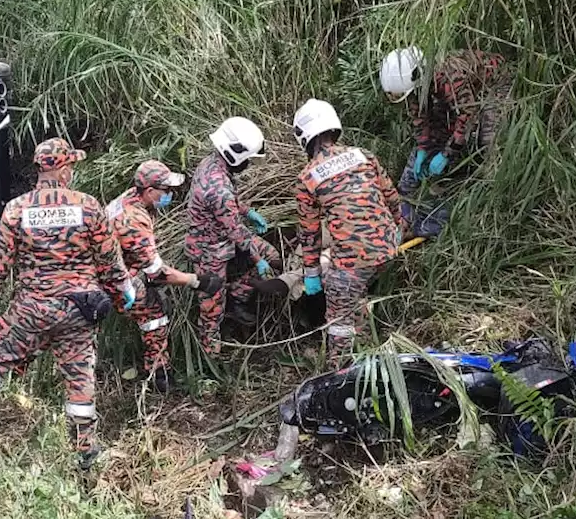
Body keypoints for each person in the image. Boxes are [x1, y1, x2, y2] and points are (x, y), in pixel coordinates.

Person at [0, 138, 135, 470]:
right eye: (71, 166)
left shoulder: (17, 209)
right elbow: (108, 259)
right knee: (80, 381)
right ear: (64, 169)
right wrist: (123, 287)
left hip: (30, 311)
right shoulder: (89, 206)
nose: (72, 172)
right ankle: (85, 451)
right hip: (78, 311)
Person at [291, 99, 402, 358]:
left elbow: (310, 234)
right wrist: (397, 229)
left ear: (303, 136)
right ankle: (366, 349)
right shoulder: (364, 155)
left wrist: (311, 273)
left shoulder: (308, 177)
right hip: (388, 249)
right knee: (356, 294)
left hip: (354, 263)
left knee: (338, 322)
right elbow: (393, 198)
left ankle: (339, 372)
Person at [107, 160, 223, 390]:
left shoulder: (130, 198)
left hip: (114, 270)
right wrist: (196, 281)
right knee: (154, 313)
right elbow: (157, 273)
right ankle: (159, 375)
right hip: (113, 281)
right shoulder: (133, 220)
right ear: (149, 191)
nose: (170, 194)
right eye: (166, 190)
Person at [378, 47, 509, 237]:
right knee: (438, 128)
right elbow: (420, 118)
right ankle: (405, 200)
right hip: (461, 95)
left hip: (495, 85)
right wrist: (424, 148)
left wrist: (446, 154)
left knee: (488, 138)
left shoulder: (450, 78)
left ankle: (492, 194)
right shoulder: (415, 84)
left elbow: (467, 116)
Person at [184, 117, 280, 356]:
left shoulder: (212, 164)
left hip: (223, 237)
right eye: (247, 159)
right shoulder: (218, 188)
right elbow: (235, 231)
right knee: (211, 309)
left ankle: (238, 293)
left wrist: (248, 211)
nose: (248, 164)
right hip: (208, 251)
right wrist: (258, 261)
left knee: (274, 257)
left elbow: (230, 207)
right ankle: (211, 356)